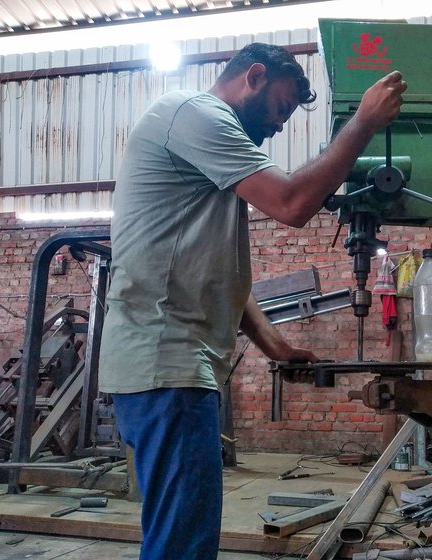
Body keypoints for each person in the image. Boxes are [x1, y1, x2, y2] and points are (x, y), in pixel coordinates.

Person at [97, 43, 406, 559]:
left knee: (180, 535)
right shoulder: (195, 115)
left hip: (171, 369)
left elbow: (210, 268)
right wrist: (363, 124)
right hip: (165, 366)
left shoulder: (209, 151)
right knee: (184, 545)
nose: (282, 123)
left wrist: (273, 344)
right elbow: (291, 203)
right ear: (254, 76)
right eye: (281, 107)